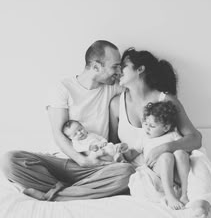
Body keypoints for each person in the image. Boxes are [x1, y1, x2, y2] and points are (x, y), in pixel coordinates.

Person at [1, 40, 135, 201]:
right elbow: (59, 134)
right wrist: (81, 160)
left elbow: (142, 91)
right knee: (10, 161)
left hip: (95, 165)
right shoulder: (63, 88)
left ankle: (55, 194)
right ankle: (79, 190)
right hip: (60, 162)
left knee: (128, 173)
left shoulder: (113, 87)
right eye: (115, 66)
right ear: (96, 67)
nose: (119, 71)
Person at [109, 48, 211, 218]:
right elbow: (113, 143)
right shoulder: (116, 104)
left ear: (140, 69)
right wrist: (118, 154)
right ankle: (188, 191)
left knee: (198, 164)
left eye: (124, 66)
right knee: (140, 185)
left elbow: (195, 138)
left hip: (179, 162)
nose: (118, 70)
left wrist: (165, 147)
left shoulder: (166, 100)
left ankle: (198, 211)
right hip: (148, 170)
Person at [130, 101, 190, 209]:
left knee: (181, 153)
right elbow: (133, 153)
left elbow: (187, 150)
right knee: (166, 156)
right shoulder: (144, 138)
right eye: (146, 123)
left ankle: (185, 194)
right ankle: (170, 195)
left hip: (176, 171)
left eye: (152, 126)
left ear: (166, 128)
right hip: (157, 168)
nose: (147, 128)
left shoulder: (173, 135)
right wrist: (122, 153)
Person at [62, 119, 128, 162]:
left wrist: (104, 142)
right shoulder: (77, 143)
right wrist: (89, 147)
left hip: (104, 146)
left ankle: (120, 149)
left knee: (111, 146)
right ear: (71, 138)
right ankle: (117, 158)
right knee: (100, 155)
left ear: (83, 127)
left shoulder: (91, 134)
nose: (79, 133)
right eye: (75, 134)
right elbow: (78, 149)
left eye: (80, 129)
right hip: (95, 153)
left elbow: (101, 138)